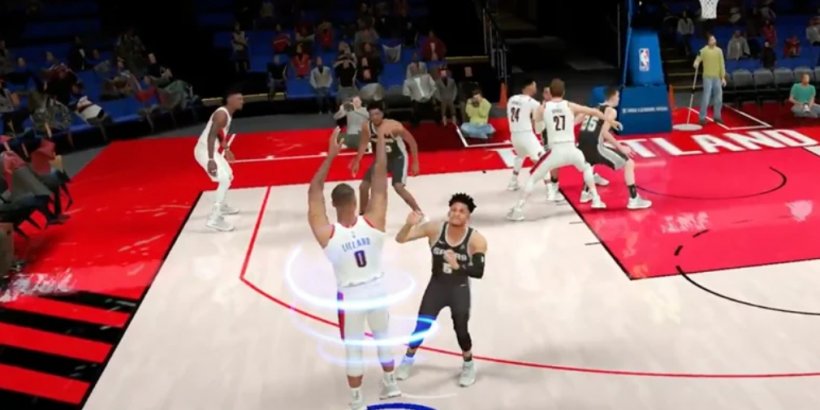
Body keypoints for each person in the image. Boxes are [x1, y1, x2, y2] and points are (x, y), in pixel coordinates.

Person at [308, 127, 401, 410]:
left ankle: (358, 400)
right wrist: (380, 141)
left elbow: (314, 191)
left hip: (350, 298)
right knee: (383, 338)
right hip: (377, 290)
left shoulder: (327, 233)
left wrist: (331, 156)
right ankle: (391, 384)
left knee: (353, 348)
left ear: (333, 205)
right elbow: (380, 182)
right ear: (356, 202)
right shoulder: (374, 221)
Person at [394, 193, 487, 387]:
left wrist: (458, 266)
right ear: (448, 212)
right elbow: (401, 239)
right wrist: (408, 225)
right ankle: (408, 359)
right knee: (421, 327)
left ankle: (468, 363)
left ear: (468, 216)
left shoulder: (476, 239)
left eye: (461, 211)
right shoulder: (435, 229)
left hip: (459, 289)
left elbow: (478, 272)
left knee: (461, 329)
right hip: (437, 286)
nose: (456, 214)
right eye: (453, 210)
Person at [507, 79, 619, 221]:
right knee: (586, 168)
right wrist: (610, 121)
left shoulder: (544, 107)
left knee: (533, 177)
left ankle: (518, 209)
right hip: (572, 150)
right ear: (564, 92)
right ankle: (596, 199)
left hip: (555, 152)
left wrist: (542, 115)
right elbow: (594, 111)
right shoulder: (569, 105)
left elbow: (536, 123)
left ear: (550, 92)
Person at [575, 87, 652, 209]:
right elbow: (605, 132)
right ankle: (634, 199)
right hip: (594, 147)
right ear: (613, 97)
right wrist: (621, 147)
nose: (619, 99)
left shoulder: (593, 108)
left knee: (590, 162)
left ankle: (585, 193)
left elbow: (578, 122)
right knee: (629, 163)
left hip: (581, 147)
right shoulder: (611, 111)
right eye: (618, 96)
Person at [350, 102, 423, 216]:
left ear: (382, 114)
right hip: (381, 160)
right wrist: (357, 161)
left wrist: (415, 162)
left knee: (398, 187)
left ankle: (418, 212)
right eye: (372, 115)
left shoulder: (394, 126)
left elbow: (412, 142)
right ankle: (363, 214)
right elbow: (363, 144)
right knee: (363, 186)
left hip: (397, 157)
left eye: (377, 114)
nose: (375, 117)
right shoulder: (367, 127)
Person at [193, 89, 244, 232]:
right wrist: (211, 160)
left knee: (229, 175)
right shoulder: (221, 115)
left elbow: (219, 133)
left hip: (211, 151)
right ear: (229, 100)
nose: (242, 101)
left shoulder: (226, 114)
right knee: (225, 180)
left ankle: (222, 206)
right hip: (205, 151)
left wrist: (226, 149)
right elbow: (211, 136)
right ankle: (214, 218)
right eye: (239, 99)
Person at [506, 79, 547, 191]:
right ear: (529, 86)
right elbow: (538, 126)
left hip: (514, 136)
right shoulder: (533, 102)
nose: (536, 88)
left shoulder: (512, 99)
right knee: (543, 160)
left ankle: (513, 182)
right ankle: (551, 189)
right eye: (534, 85)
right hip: (526, 135)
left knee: (520, 156)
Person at [693, 35, 727, 126]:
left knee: (719, 98)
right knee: (706, 98)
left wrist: (723, 77)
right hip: (707, 77)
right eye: (711, 39)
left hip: (717, 77)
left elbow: (722, 64)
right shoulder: (703, 50)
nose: (713, 41)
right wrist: (696, 63)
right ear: (708, 41)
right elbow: (698, 58)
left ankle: (717, 116)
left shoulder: (719, 51)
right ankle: (702, 118)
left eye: (714, 39)